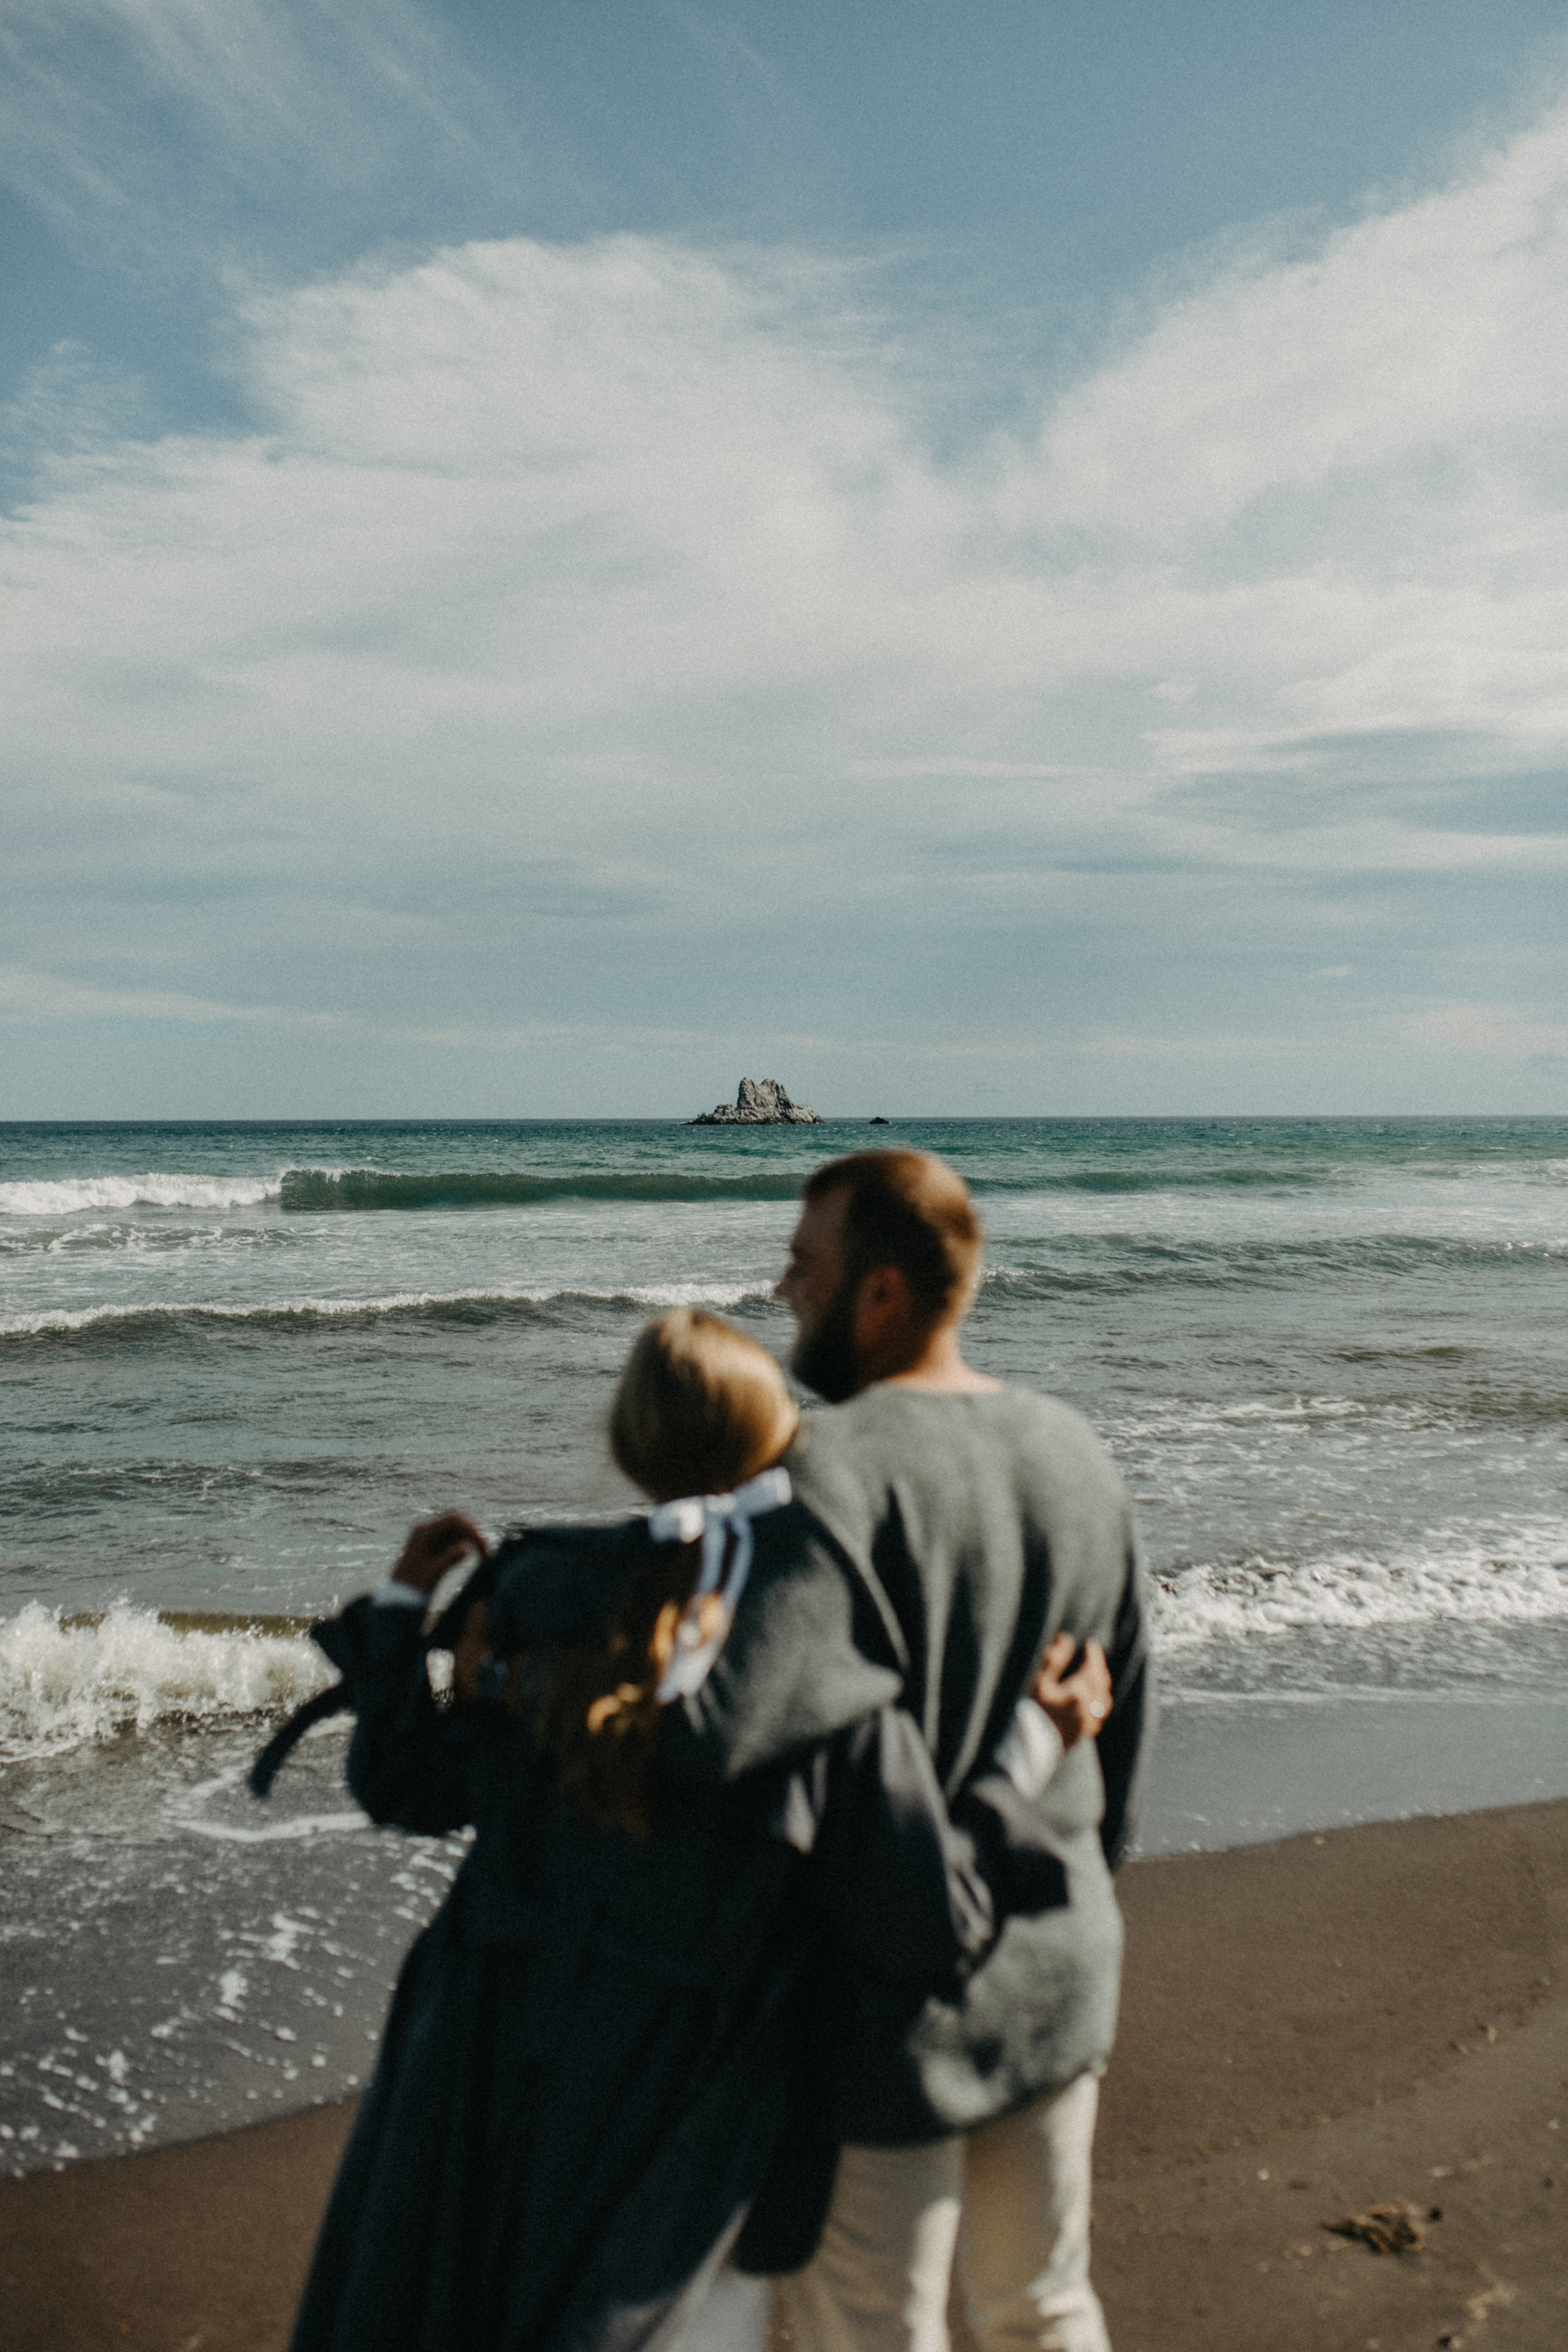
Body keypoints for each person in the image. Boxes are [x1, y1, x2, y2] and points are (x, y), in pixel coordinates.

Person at [284, 1307, 1114, 2352]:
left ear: (632, 1445)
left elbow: (404, 1785)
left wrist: (407, 1609)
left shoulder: (536, 1599)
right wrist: (1035, 1742)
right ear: (783, 1436)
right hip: (673, 2082)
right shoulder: (810, 1647)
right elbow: (927, 1914)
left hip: (482, 2037)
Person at [658, 1151, 1152, 2352]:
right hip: (1058, 1954)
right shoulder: (1074, 1448)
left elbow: (728, 1741)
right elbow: (1122, 1723)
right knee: (1042, 2305)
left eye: (803, 1265)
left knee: (872, 2329)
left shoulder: (831, 1470)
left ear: (876, 1296)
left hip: (888, 2002)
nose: (780, 1288)